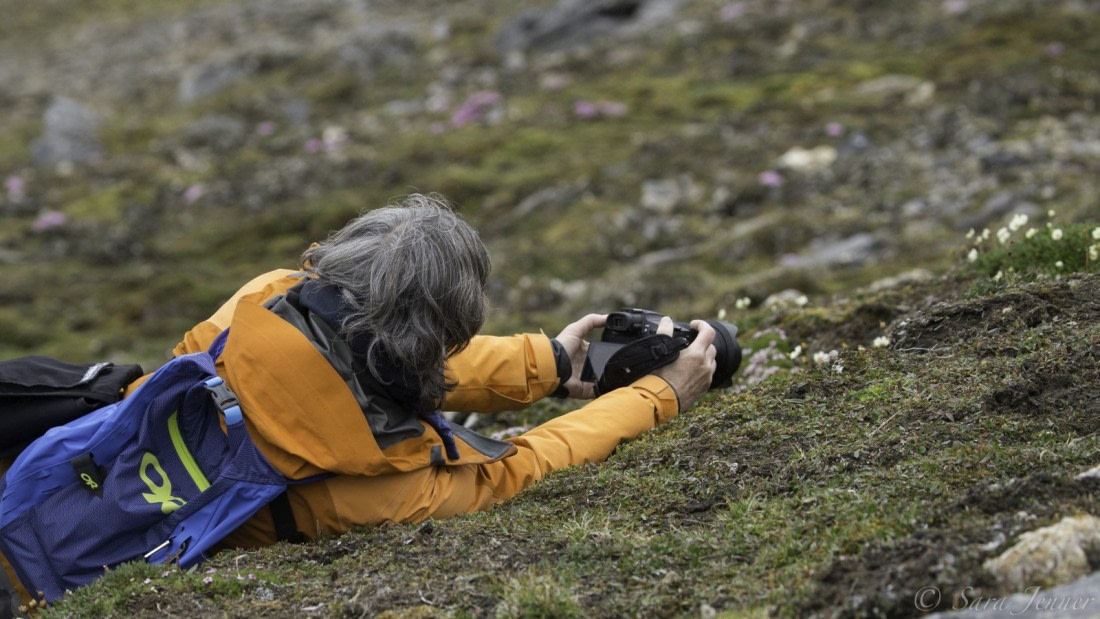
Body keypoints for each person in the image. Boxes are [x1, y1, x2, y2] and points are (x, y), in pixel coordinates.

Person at [0, 194, 715, 609]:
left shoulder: (257, 302)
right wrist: (658, 394)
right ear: (440, 338)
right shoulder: (375, 480)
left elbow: (355, 352)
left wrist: (552, 362)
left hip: (24, 496)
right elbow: (513, 469)